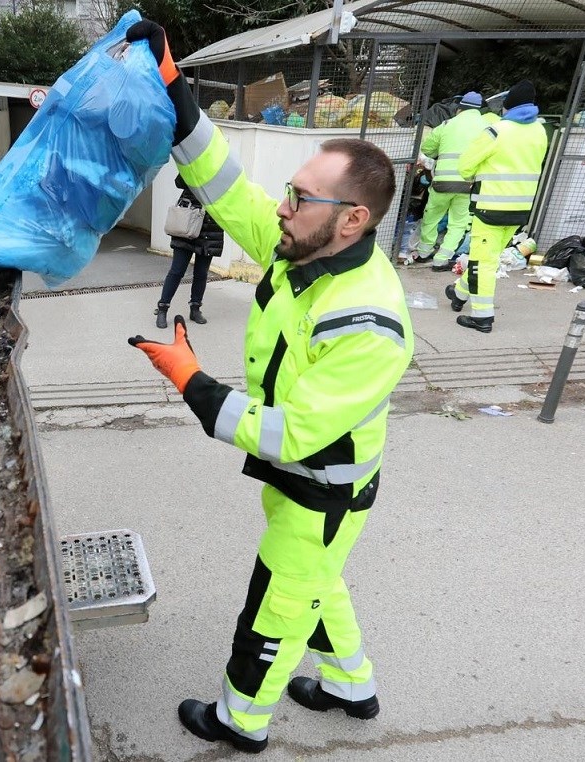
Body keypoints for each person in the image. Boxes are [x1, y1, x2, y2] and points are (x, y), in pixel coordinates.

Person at [123, 19, 414, 754]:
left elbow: (293, 433)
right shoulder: (301, 246)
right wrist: (174, 92)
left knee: (277, 606)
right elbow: (225, 187)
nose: (282, 207)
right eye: (289, 192)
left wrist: (192, 382)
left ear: (353, 218)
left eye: (301, 197)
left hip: (322, 485)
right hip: (305, 484)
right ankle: (354, 685)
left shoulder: (368, 323)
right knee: (321, 583)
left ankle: (240, 721)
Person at [447, 79, 549, 333]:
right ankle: (459, 294)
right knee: (487, 257)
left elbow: (465, 167)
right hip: (519, 210)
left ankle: (482, 317)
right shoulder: (540, 132)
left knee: (484, 263)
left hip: (489, 209)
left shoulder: (497, 131)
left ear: (507, 105)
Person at [411, 91, 497, 270]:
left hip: (441, 182)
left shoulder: (447, 124)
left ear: (459, 109)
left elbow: (427, 148)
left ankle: (424, 252)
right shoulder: (487, 127)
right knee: (458, 222)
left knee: (432, 216)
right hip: (468, 184)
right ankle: (441, 259)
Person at [155, 175, 225, 328]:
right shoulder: (193, 163)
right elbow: (179, 182)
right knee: (177, 271)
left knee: (201, 273)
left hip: (210, 228)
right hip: (187, 223)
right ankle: (162, 308)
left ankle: (195, 309)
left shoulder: (223, 170)